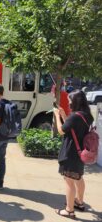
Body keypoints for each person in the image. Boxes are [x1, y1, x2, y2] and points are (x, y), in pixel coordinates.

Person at [54, 90, 94, 219]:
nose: (69, 102)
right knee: (78, 178)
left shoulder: (75, 116)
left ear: (76, 101)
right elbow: (71, 127)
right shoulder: (87, 115)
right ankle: (79, 202)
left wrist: (56, 116)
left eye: (70, 100)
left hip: (70, 152)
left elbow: (61, 131)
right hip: (81, 152)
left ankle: (69, 210)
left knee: (69, 181)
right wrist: (64, 115)